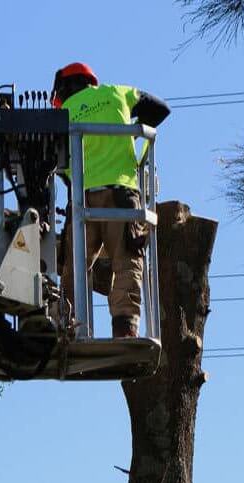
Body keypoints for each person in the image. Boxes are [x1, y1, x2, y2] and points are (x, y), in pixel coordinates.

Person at [52, 62, 171, 338]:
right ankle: (125, 328)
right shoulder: (118, 93)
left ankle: (66, 328)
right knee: (127, 261)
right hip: (122, 195)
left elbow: (54, 163)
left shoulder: (60, 114)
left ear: (64, 89)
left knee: (74, 267)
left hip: (83, 198)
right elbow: (160, 110)